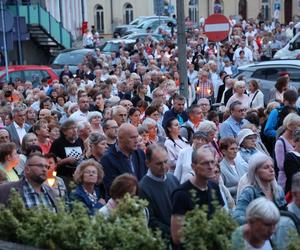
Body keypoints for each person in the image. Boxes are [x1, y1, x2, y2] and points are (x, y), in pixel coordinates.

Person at [171, 147, 224, 246]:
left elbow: (221, 219)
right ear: (193, 167)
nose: (211, 166)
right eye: (205, 163)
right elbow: (177, 236)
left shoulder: (214, 187)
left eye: (212, 162)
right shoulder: (181, 194)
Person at [139, 144, 179, 239]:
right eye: (158, 163)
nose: (164, 166)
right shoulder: (142, 188)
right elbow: (151, 221)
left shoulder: (173, 179)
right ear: (147, 163)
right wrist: (173, 232)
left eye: (166, 161)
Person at [233, 153, 286, 225]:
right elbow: (237, 217)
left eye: (272, 167)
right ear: (255, 171)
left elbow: (285, 213)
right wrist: (257, 225)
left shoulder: (278, 190)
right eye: (266, 167)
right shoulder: (249, 192)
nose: (271, 170)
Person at [101, 123, 147, 196]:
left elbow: (145, 178)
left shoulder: (140, 153)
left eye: (137, 136)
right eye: (132, 137)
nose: (136, 141)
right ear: (120, 138)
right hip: (122, 202)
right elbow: (112, 187)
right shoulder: (107, 158)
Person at [50, 119, 84, 188]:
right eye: (71, 128)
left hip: (78, 174)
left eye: (75, 128)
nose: (74, 130)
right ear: (64, 131)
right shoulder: (57, 143)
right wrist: (66, 160)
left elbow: (82, 154)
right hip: (63, 176)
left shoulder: (79, 141)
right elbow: (51, 163)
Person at [275, 113, 300, 190]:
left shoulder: (296, 139)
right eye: (298, 125)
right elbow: (281, 165)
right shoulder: (280, 142)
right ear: (289, 126)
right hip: (285, 181)